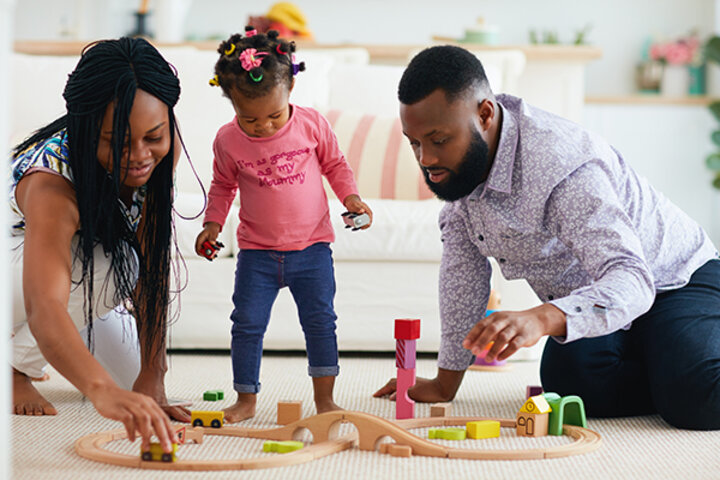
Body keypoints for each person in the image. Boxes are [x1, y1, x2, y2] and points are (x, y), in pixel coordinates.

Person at [374, 45, 720, 430]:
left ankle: (679, 369)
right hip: (596, 295)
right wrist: (445, 383)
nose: (425, 159)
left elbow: (632, 280)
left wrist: (542, 317)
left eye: (438, 140)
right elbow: (462, 282)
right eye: (414, 142)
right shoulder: (461, 183)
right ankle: (666, 363)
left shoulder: (563, 166)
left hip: (673, 278)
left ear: (485, 114)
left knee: (696, 398)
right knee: (570, 385)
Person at [10, 37, 192, 453]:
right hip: (18, 269)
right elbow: (45, 305)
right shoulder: (51, 185)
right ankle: (14, 369)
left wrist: (153, 373)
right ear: (86, 128)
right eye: (119, 142)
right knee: (113, 263)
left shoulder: (159, 154)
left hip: (74, 277)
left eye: (154, 137)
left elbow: (153, 266)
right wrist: (98, 388)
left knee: (133, 385)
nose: (140, 156)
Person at [195, 27, 373, 423]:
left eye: (274, 115)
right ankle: (245, 400)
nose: (264, 127)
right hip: (257, 253)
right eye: (250, 118)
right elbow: (222, 186)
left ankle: (325, 402)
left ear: (291, 86)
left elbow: (335, 165)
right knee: (246, 325)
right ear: (231, 103)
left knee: (320, 323)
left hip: (311, 250)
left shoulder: (311, 124)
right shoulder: (227, 140)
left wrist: (351, 199)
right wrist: (212, 224)